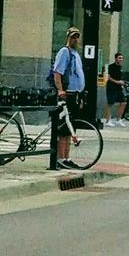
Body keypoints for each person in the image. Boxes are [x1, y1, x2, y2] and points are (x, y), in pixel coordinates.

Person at [50, 28, 85, 168]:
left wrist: (80, 95)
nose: (75, 40)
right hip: (67, 93)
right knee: (64, 128)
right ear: (68, 38)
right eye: (73, 37)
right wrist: (60, 90)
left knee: (71, 128)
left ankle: (67, 157)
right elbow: (57, 72)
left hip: (75, 93)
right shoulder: (65, 52)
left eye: (77, 37)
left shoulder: (76, 54)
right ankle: (60, 158)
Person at [103, 52, 126, 127]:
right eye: (119, 58)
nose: (121, 59)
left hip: (119, 87)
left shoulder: (121, 67)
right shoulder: (111, 67)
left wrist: (121, 83)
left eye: (122, 58)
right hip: (111, 87)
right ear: (116, 58)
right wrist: (117, 82)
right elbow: (109, 77)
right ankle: (108, 120)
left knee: (123, 102)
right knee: (110, 103)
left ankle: (118, 119)